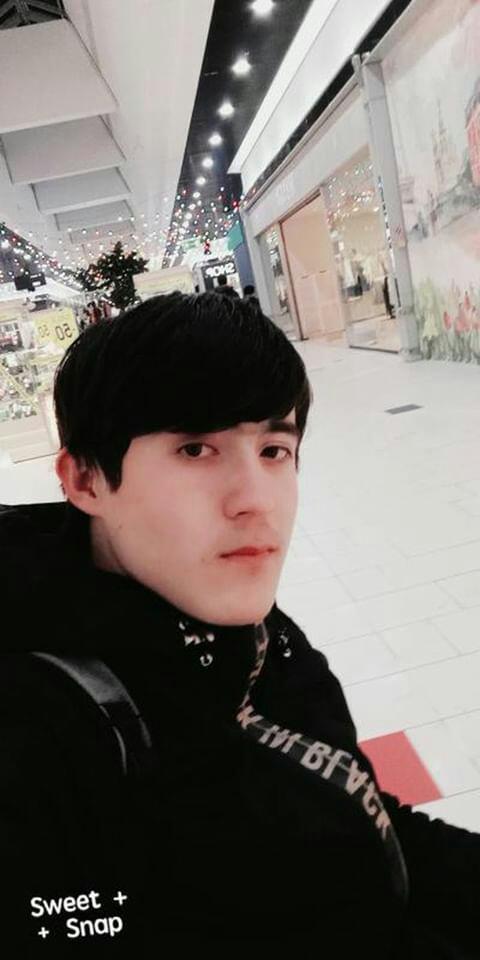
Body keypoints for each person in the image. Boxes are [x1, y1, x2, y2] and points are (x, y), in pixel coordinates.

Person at [1, 292, 480, 957]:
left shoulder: (247, 632)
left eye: (275, 450)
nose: (256, 501)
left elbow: (363, 817)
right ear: (84, 480)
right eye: (196, 449)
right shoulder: (40, 732)